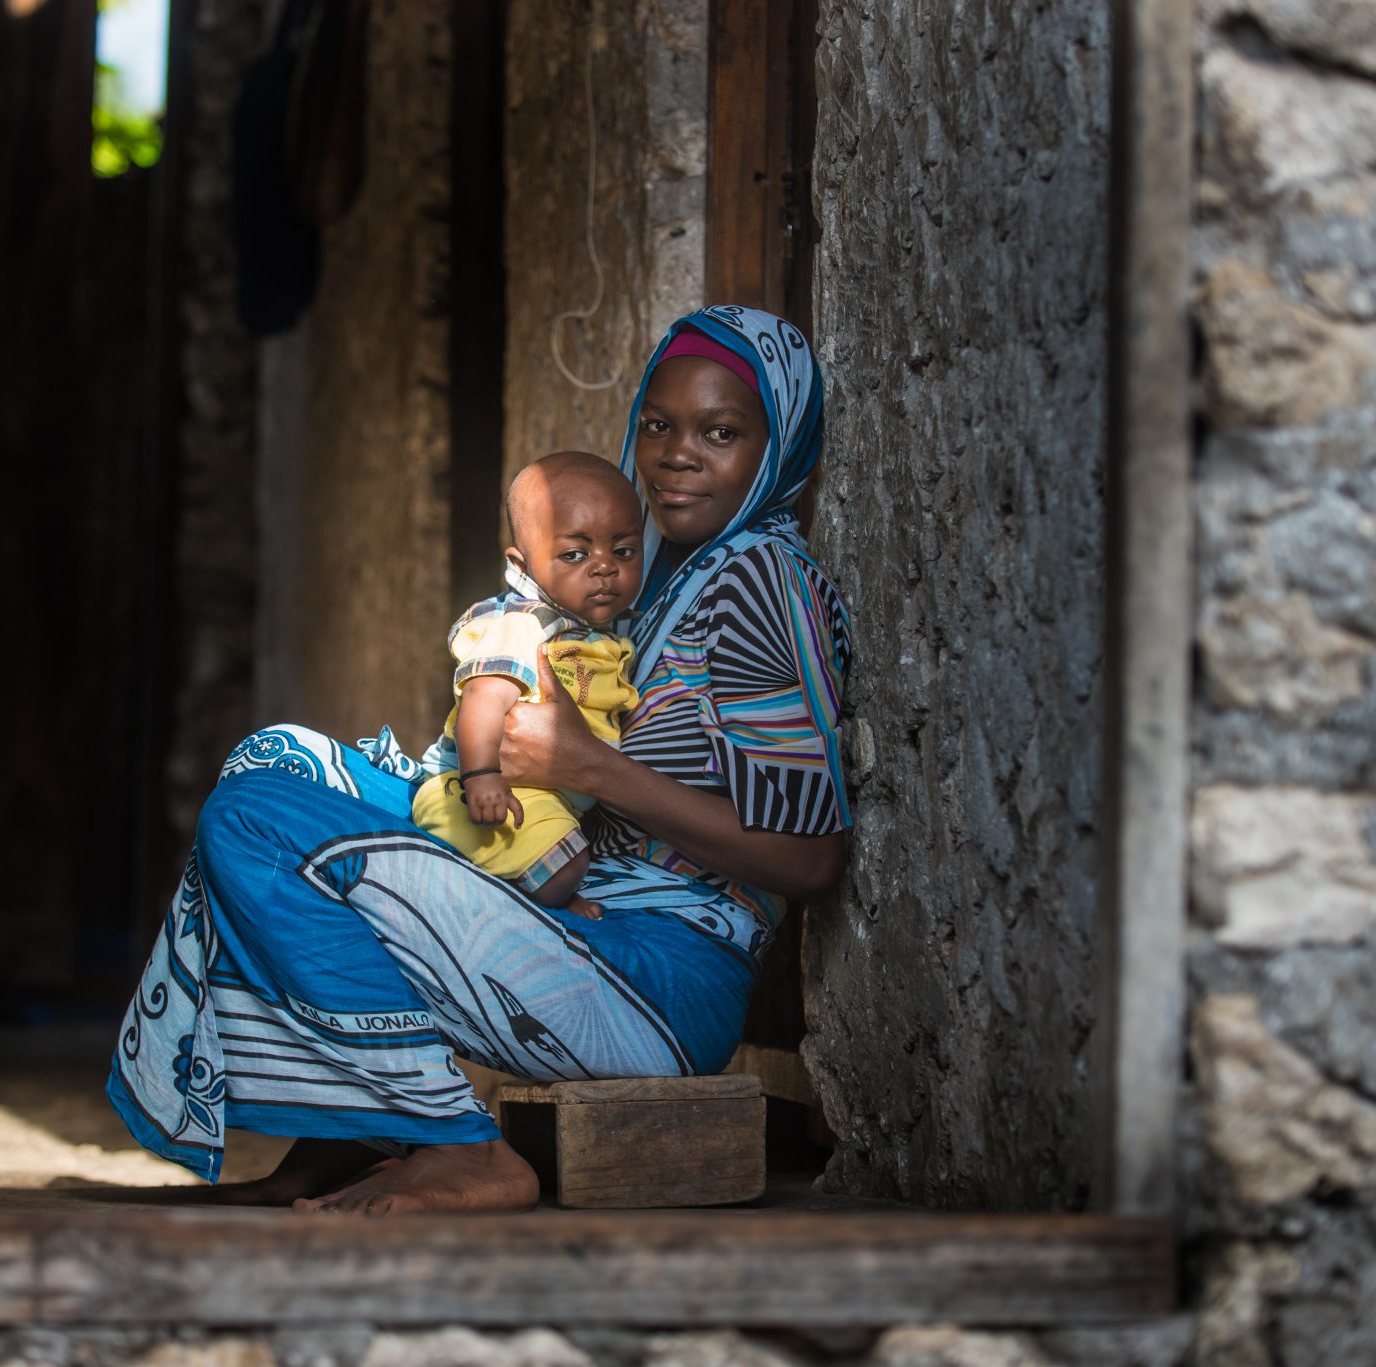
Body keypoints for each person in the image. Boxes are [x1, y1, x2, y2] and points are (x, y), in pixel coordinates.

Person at [106, 305, 851, 1215]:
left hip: (657, 977)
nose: (676, 454)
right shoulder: (654, 579)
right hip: (580, 925)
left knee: (258, 822)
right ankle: (354, 1136)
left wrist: (588, 764)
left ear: (779, 447)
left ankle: (460, 1147)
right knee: (277, 767)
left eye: (721, 432)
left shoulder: (761, 582)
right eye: (658, 424)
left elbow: (812, 858)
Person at [410, 452, 645, 919]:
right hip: (476, 792)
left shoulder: (597, 634)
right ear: (522, 563)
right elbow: (483, 698)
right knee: (568, 864)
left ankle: (532, 893)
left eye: (622, 551)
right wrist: (482, 777)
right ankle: (532, 900)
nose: (604, 568)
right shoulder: (521, 625)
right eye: (574, 554)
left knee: (568, 857)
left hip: (542, 793)